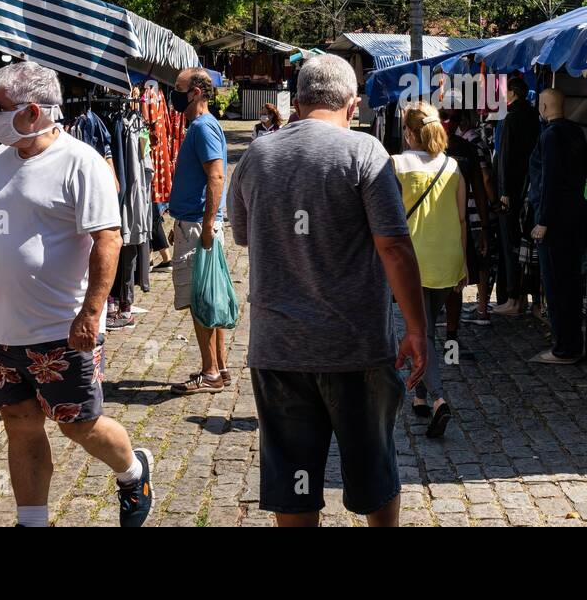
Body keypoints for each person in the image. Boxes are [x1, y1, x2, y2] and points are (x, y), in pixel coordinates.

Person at [226, 52, 427, 527]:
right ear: (352, 103)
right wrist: (417, 328)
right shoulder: (364, 153)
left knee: (293, 487)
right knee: (373, 473)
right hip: (355, 349)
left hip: (278, 351)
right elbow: (394, 248)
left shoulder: (259, 154)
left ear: (296, 102)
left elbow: (242, 233)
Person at [0, 61, 153, 528]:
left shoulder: (81, 162)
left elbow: (109, 238)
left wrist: (92, 312)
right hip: (2, 331)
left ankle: (133, 470)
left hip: (62, 331)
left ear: (30, 111)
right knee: (20, 425)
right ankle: (32, 521)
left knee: (78, 424)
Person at [393, 102, 466, 438]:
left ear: (409, 132)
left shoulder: (396, 165)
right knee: (427, 328)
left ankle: (438, 400)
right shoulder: (453, 167)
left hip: (414, 265)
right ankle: (420, 397)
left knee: (422, 334)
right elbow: (462, 219)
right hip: (448, 261)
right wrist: (463, 263)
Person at [167, 67, 230, 394]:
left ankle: (210, 373)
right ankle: (218, 365)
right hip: (192, 222)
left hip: (197, 225)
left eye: (178, 88)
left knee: (200, 299)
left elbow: (216, 177)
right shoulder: (201, 127)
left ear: (194, 93)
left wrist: (206, 226)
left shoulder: (204, 128)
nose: (172, 94)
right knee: (209, 296)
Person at [528, 88, 587, 363]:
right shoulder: (576, 133)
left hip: (555, 221)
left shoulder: (550, 137)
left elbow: (550, 179)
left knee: (556, 283)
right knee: (571, 282)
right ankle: (571, 341)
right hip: (574, 216)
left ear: (543, 106)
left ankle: (565, 346)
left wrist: (543, 221)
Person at [493, 75, 540, 317]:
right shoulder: (534, 116)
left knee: (511, 246)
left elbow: (507, 159)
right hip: (529, 189)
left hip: (514, 193)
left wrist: (505, 192)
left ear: (512, 93)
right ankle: (524, 298)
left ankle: (514, 298)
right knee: (524, 248)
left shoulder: (512, 118)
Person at [446, 109, 496, 328]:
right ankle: (477, 312)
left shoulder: (439, 150)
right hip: (469, 216)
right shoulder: (467, 148)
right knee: (473, 267)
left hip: (451, 219)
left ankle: (446, 320)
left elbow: (482, 182)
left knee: (454, 269)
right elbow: (481, 184)